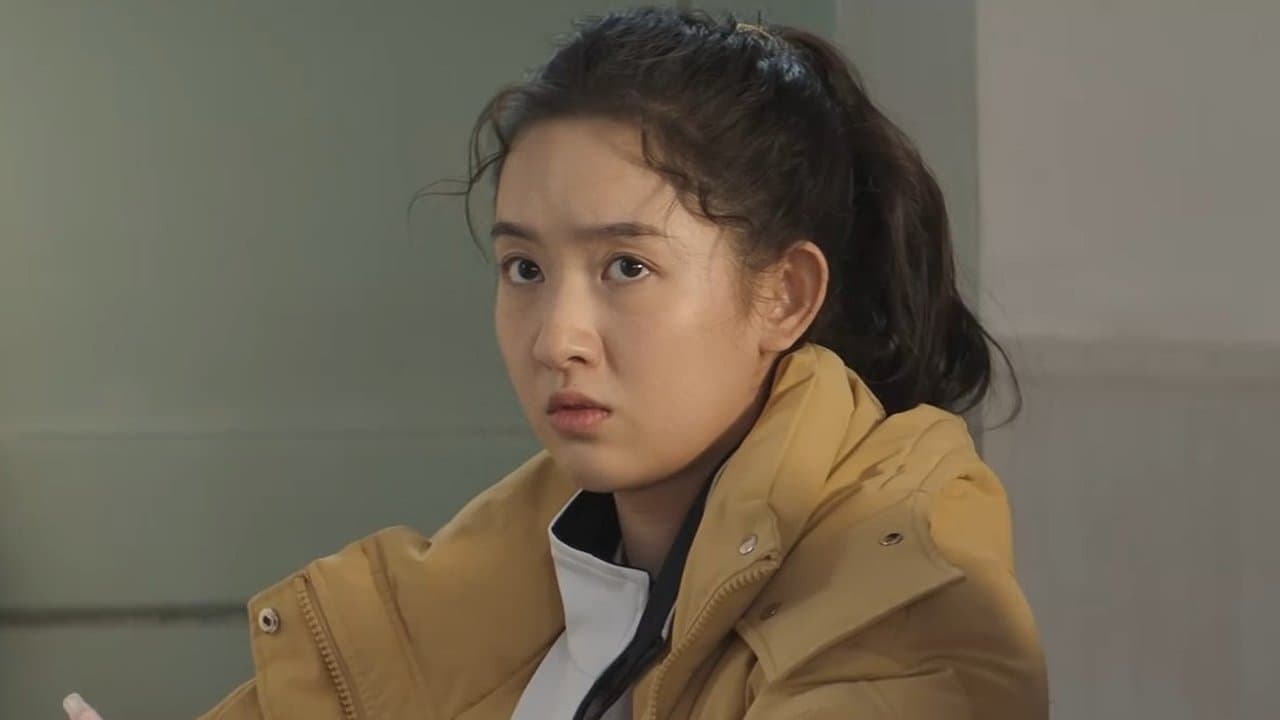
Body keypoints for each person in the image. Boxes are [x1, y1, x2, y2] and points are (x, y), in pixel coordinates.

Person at [64, 8, 1047, 720]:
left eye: (626, 267)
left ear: (783, 295)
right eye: (524, 269)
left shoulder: (910, 590)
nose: (555, 337)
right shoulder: (501, 573)